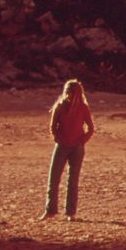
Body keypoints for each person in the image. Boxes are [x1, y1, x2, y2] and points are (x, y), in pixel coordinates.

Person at [40, 79, 95, 221]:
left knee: (72, 181)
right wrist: (58, 139)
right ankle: (50, 210)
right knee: (54, 179)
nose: (69, 95)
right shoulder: (59, 106)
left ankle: (70, 213)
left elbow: (91, 128)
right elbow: (52, 127)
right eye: (68, 92)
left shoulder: (83, 108)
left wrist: (81, 141)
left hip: (77, 148)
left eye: (72, 92)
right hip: (63, 146)